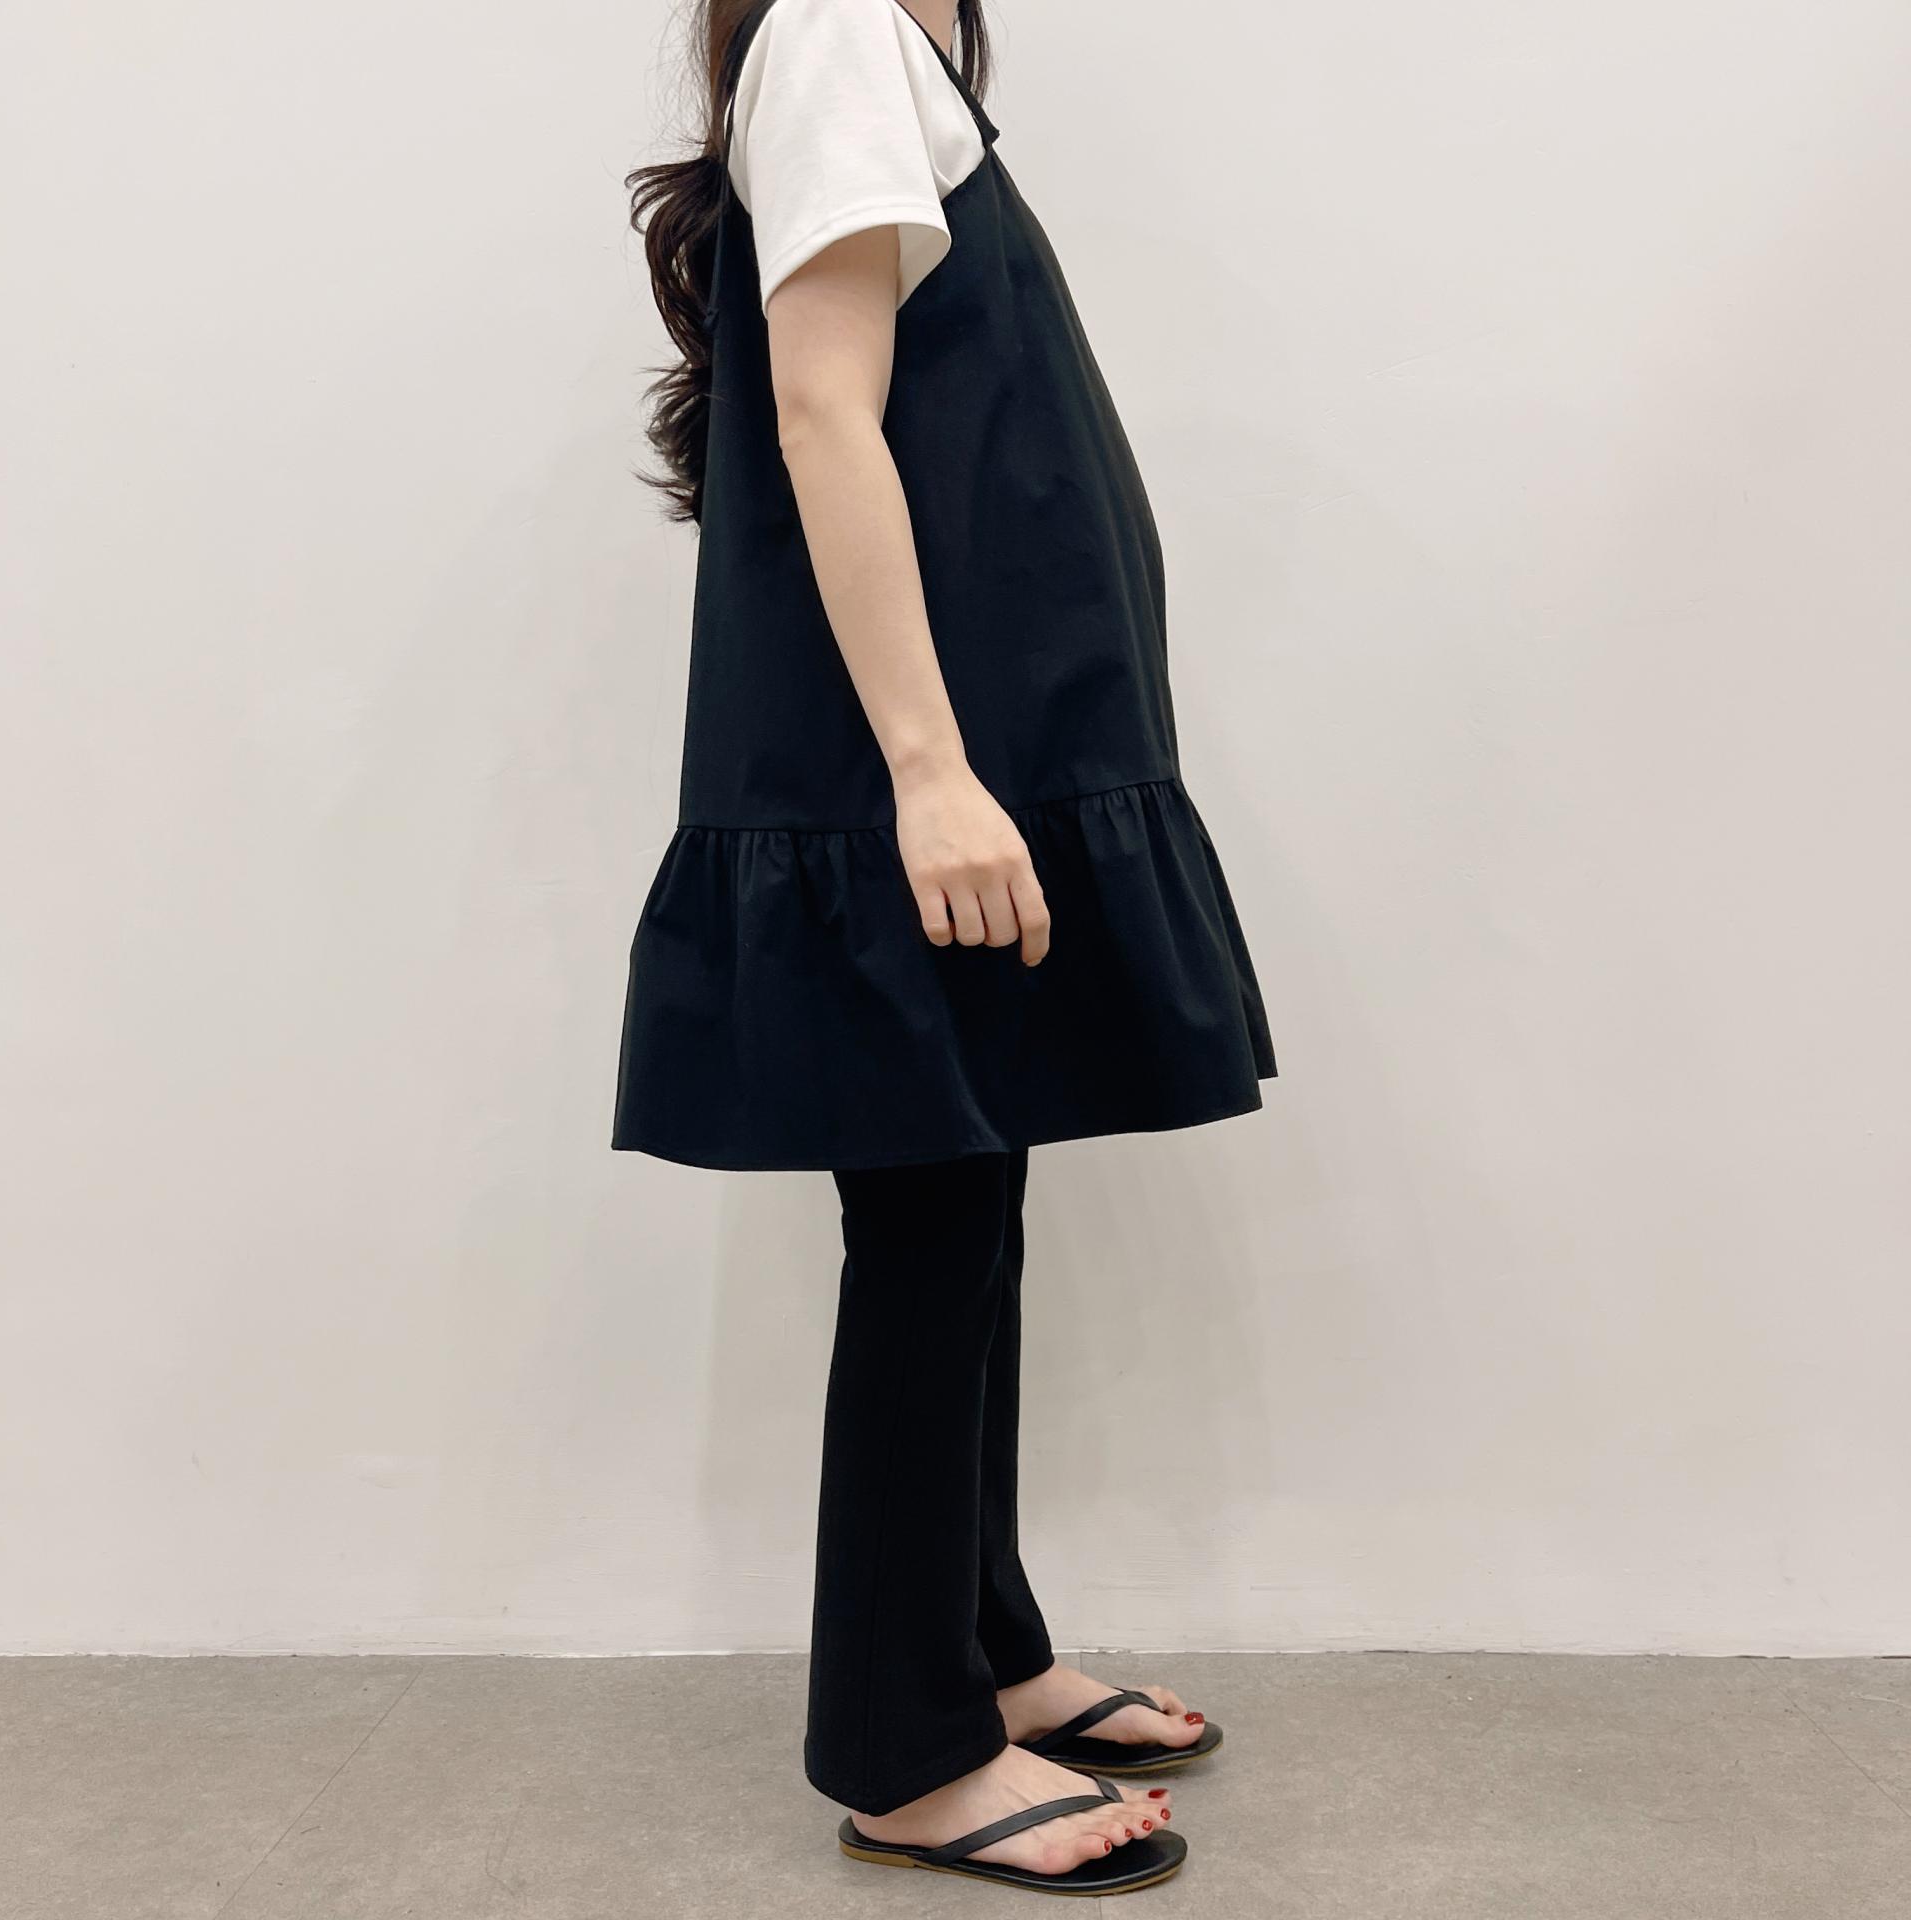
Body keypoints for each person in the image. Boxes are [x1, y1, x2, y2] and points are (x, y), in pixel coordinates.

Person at [615, 0, 1275, 1894]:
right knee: (926, 1225)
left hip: (977, 760)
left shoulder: (887, 56)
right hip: (907, 773)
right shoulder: (833, 30)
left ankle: (985, 1653)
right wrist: (927, 769)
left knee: (967, 1202)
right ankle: (904, 1751)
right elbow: (825, 408)